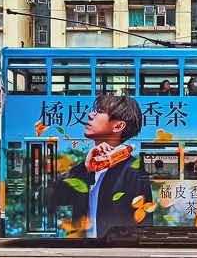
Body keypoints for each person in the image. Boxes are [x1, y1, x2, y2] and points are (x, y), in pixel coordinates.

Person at [55, 94, 153, 239]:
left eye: (100, 111)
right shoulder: (87, 166)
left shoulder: (134, 170)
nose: (90, 115)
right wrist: (86, 168)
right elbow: (58, 197)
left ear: (118, 126)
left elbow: (143, 224)